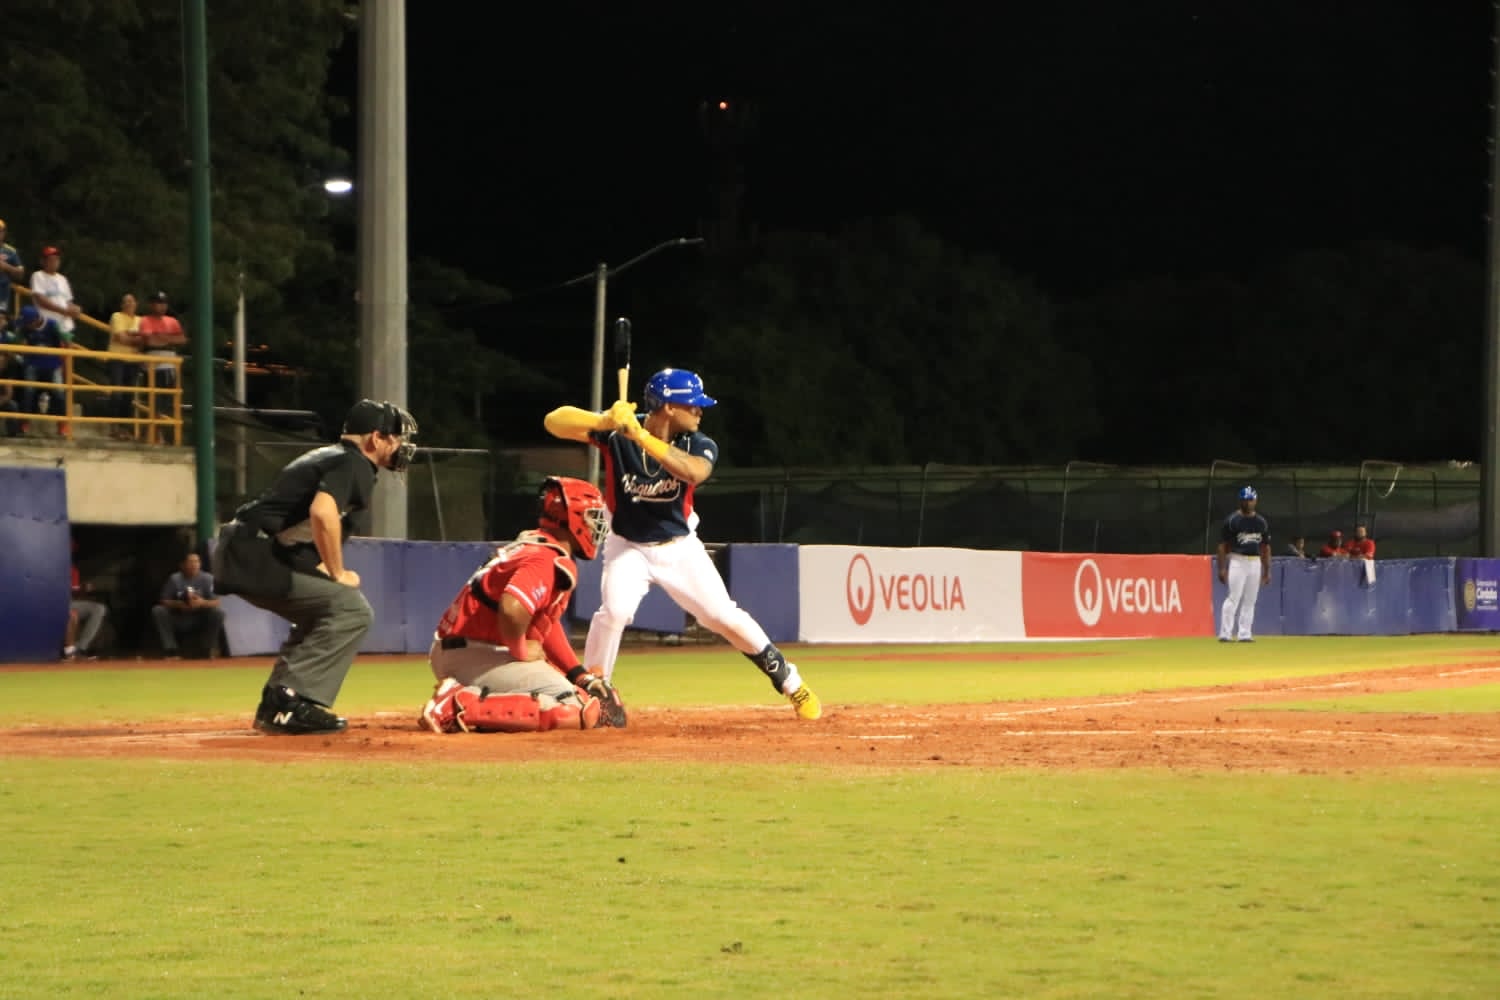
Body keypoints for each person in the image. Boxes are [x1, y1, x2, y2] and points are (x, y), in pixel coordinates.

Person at [543, 367, 822, 719]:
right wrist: (605, 420)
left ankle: (790, 681)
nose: (699, 411)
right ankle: (596, 694)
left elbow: (693, 472)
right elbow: (554, 422)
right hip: (627, 545)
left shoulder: (699, 443)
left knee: (722, 615)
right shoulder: (618, 432)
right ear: (669, 408)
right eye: (692, 405)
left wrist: (640, 436)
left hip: (679, 547)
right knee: (613, 612)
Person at [214, 398, 418, 735]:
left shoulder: (334, 457)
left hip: (250, 549)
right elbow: (322, 513)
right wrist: (338, 572)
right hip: (253, 553)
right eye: (394, 437)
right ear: (375, 439)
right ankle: (293, 701)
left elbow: (295, 529)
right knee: (351, 610)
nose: (400, 445)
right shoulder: (353, 463)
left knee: (326, 608)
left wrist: (324, 569)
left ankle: (278, 703)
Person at [419, 476, 628, 734]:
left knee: (575, 692)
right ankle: (456, 705)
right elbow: (512, 608)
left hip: (467, 650)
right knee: (575, 708)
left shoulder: (536, 545)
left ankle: (469, 698)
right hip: (477, 654)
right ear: (572, 519)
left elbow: (542, 625)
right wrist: (519, 648)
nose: (596, 524)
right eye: (590, 516)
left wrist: (578, 675)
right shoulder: (544, 558)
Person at [1216, 485, 1271, 643]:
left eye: (1251, 499)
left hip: (1255, 562)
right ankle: (1225, 633)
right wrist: (1221, 568)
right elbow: (1222, 545)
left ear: (1256, 500)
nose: (1248, 503)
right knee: (1233, 597)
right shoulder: (1233, 520)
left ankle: (1245, 633)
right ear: (1240, 501)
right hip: (1237, 559)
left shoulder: (1261, 522)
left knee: (1250, 599)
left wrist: (1267, 570)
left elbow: (1266, 546)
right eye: (1246, 500)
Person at [151, 552, 226, 659]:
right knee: (158, 610)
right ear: (182, 565)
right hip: (179, 617)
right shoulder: (174, 579)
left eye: (197, 561)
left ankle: (208, 648)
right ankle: (171, 649)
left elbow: (216, 602)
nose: (194, 564)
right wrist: (180, 604)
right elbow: (164, 600)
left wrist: (202, 602)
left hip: (199, 618)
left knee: (219, 613)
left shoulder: (208, 579)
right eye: (190, 562)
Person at [136, 291, 185, 439]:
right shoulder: (145, 320)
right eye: (158, 303)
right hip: (152, 363)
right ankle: (153, 432)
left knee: (165, 401)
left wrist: (162, 338)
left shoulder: (172, 321)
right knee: (154, 400)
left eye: (164, 303)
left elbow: (182, 339)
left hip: (169, 363)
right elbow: (149, 341)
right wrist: (169, 338)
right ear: (151, 304)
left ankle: (154, 431)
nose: (162, 306)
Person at [15, 304, 70, 430]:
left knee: (59, 393)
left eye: (27, 323)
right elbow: (17, 340)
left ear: (35, 320)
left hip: (53, 364)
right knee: (28, 392)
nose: (25, 325)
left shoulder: (52, 325)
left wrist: (63, 354)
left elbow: (67, 339)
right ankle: (24, 423)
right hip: (32, 363)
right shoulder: (25, 328)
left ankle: (62, 424)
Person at [106, 292, 144, 438]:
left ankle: (124, 428)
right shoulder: (116, 316)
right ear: (122, 305)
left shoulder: (140, 320)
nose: (129, 304)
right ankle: (113, 426)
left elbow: (144, 339)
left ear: (136, 304)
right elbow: (120, 337)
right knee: (117, 393)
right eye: (126, 302)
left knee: (128, 396)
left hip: (133, 361)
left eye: (132, 301)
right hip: (117, 359)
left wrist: (129, 336)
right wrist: (135, 337)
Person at [28, 245, 81, 341]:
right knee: (49, 354)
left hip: (65, 326)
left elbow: (68, 301)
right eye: (51, 259)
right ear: (43, 261)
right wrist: (64, 311)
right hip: (47, 325)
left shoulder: (63, 279)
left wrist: (74, 309)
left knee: (66, 355)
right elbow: (41, 300)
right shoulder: (38, 275)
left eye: (57, 259)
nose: (54, 262)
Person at [67, 545, 108, 661]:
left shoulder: (73, 570)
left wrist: (83, 589)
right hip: (54, 603)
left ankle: (80, 648)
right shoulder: (51, 565)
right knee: (71, 614)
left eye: (71, 550)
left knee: (99, 608)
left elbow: (74, 592)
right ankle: (69, 651)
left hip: (70, 603)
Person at [0, 219, 23, 316]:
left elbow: (21, 273)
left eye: (0, 231)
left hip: (2, 296)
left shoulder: (10, 251)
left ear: (4, 233)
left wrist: (5, 267)